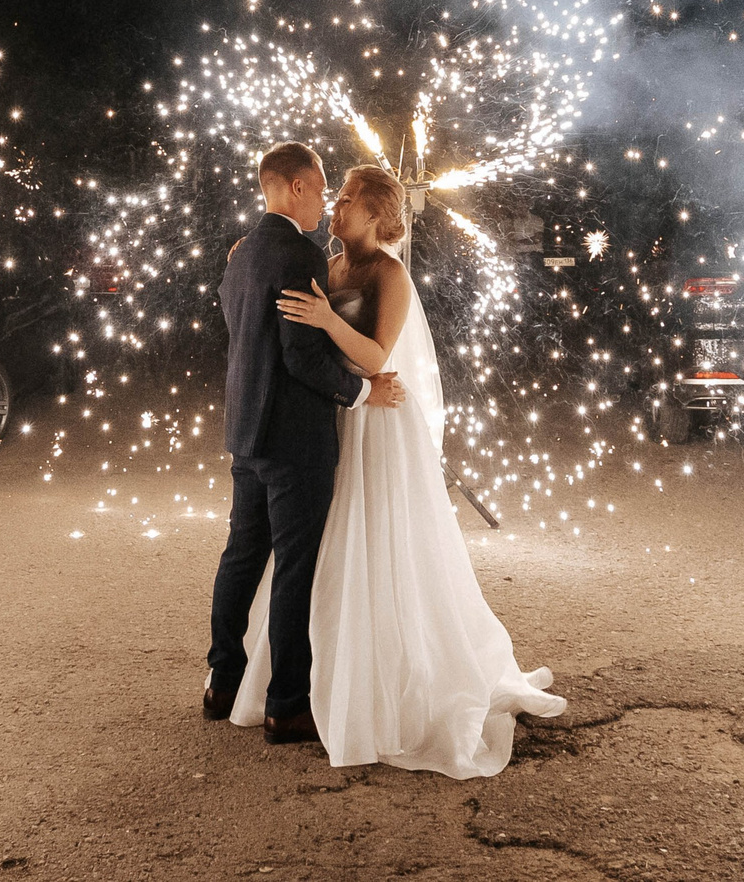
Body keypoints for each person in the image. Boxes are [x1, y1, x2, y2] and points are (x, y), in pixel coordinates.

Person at [228, 161, 566, 777]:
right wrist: (250, 260)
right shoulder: (324, 264)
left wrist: (329, 320)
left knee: (377, 534)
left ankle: (386, 673)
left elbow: (378, 355)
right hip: (337, 414)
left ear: (379, 214)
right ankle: (310, 678)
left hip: (378, 417)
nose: (338, 205)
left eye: (351, 199)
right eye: (339, 195)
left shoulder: (391, 273)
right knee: (322, 544)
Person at [204, 143, 406, 743]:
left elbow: (237, 318)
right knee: (295, 568)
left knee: (240, 556)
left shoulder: (244, 251)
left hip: (246, 429)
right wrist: (364, 394)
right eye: (322, 190)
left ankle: (221, 681)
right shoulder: (300, 255)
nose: (326, 201)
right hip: (295, 437)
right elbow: (299, 358)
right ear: (295, 187)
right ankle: (286, 703)